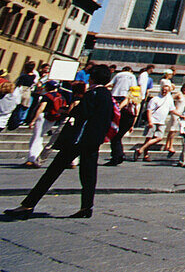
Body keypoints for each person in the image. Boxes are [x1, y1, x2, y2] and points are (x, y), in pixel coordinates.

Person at [5, 64, 116, 219]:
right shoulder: (107, 95)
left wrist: (72, 107)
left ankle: (28, 205)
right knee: (89, 175)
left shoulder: (93, 94)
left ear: (92, 78)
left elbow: (82, 113)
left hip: (78, 140)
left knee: (52, 172)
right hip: (93, 141)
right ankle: (86, 207)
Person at [23, 80, 67, 167]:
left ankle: (32, 158)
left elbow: (41, 108)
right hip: (53, 118)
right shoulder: (61, 96)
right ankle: (36, 156)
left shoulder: (47, 96)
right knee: (40, 136)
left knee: (36, 137)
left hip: (43, 117)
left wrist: (33, 120)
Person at [133, 82, 174, 161]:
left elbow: (172, 109)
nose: (164, 91)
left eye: (166, 90)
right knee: (148, 138)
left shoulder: (169, 100)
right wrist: (150, 121)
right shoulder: (155, 99)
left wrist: (180, 115)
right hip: (153, 120)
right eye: (163, 90)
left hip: (161, 122)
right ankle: (145, 155)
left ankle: (140, 149)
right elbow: (149, 110)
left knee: (159, 138)